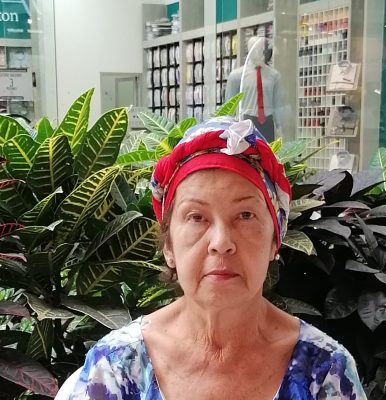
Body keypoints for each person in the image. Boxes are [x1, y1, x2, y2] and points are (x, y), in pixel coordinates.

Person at [63, 117, 367, 399]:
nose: (221, 243)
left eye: (245, 215)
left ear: (275, 241)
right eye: (196, 217)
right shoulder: (116, 368)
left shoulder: (325, 372)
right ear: (169, 246)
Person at [225, 37, 285, 142]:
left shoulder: (274, 75)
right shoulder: (237, 76)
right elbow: (230, 104)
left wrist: (280, 128)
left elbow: (278, 103)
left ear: (264, 50)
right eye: (253, 48)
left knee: (267, 149)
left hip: (267, 121)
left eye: (259, 48)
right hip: (246, 120)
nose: (256, 51)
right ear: (249, 49)